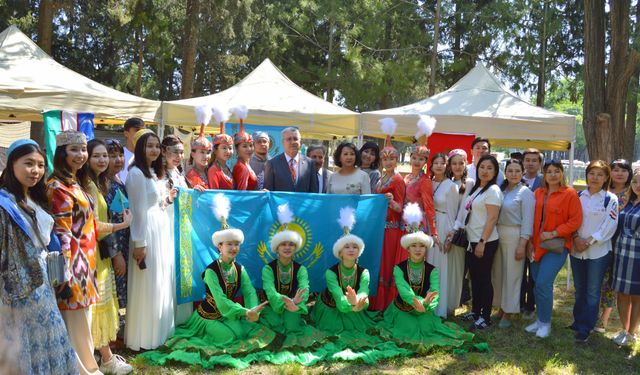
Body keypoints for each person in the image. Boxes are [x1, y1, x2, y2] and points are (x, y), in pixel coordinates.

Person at [141, 193, 274, 369]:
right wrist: (243, 312)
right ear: (220, 246)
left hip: (231, 313)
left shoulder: (240, 269)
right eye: (229, 244)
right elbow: (220, 301)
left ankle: (235, 324)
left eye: (236, 244)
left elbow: (249, 291)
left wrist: (252, 310)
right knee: (229, 338)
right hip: (209, 315)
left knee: (242, 332)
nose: (233, 248)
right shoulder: (211, 272)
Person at [0, 139, 77, 375]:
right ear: (12, 164)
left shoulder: (35, 198)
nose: (35, 171)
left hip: (42, 283)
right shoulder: (4, 204)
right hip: (16, 290)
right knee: (23, 346)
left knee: (49, 336)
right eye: (28, 164)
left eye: (40, 165)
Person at [311, 207, 406, 361]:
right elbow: (338, 296)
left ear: (359, 251)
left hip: (355, 308)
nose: (351, 250)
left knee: (361, 332)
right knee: (335, 333)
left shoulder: (364, 272)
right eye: (346, 247)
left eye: (355, 247)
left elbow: (364, 292)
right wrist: (351, 305)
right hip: (332, 309)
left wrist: (360, 302)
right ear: (340, 252)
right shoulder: (331, 273)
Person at [380, 203, 474, 349]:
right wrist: (418, 302)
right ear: (408, 248)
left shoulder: (433, 270)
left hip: (425, 309)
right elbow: (404, 291)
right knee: (409, 329)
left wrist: (427, 305)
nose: (418, 249)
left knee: (426, 328)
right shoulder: (399, 269)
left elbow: (435, 291)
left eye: (422, 246)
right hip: (404, 307)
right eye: (414, 246)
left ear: (426, 248)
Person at [47, 130, 101, 374]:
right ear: (62, 153)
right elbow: (62, 233)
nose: (80, 155)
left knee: (83, 320)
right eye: (74, 150)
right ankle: (81, 369)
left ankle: (86, 366)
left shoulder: (74, 182)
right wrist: (65, 273)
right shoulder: (57, 187)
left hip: (86, 261)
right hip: (73, 265)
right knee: (75, 322)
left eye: (83, 150)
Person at [77, 139, 133, 374]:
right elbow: (93, 226)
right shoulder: (89, 186)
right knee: (96, 309)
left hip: (99, 255)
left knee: (100, 307)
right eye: (97, 156)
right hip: (93, 255)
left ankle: (105, 358)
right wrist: (121, 226)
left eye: (105, 156)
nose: (103, 160)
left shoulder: (98, 183)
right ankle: (103, 360)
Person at [125, 129, 177, 350]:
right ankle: (145, 336)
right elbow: (137, 211)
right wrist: (139, 244)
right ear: (139, 148)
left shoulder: (152, 173)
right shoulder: (136, 173)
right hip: (146, 234)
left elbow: (153, 204)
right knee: (149, 284)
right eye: (149, 145)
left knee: (160, 282)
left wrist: (167, 199)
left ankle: (160, 332)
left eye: (157, 145)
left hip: (160, 230)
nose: (154, 150)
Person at [525, 160, 582, 338]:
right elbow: (530, 219)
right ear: (544, 174)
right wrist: (528, 243)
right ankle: (540, 320)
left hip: (556, 246)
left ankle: (546, 323)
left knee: (543, 283)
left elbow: (575, 221)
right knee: (537, 284)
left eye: (556, 171)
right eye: (549, 171)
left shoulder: (570, 194)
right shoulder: (537, 193)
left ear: (562, 173)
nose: (553, 175)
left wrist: (554, 233)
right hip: (536, 245)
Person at [260, 203, 327, 349]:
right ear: (277, 248)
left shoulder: (301, 269)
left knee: (291, 327)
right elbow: (270, 291)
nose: (287, 247)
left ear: (295, 248)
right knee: (275, 325)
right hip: (273, 306)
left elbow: (305, 288)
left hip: (294, 306)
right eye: (283, 244)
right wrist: (286, 301)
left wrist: (296, 304)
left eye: (291, 244)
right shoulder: (268, 268)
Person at [570, 160, 618, 343]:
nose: (595, 178)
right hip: (577, 250)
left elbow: (610, 226)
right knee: (579, 289)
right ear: (586, 175)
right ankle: (577, 321)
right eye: (592, 173)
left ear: (606, 178)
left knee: (592, 291)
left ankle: (585, 328)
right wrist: (576, 238)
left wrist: (589, 241)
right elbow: (572, 219)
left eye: (600, 174)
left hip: (598, 252)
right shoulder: (578, 196)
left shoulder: (610, 199)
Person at [456, 155, 502, 330]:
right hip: (471, 240)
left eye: (490, 168)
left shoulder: (493, 191)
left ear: (495, 171)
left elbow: (492, 218)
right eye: (482, 167)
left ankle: (485, 316)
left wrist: (482, 242)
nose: (485, 171)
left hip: (485, 241)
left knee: (483, 279)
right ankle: (475, 311)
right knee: (474, 278)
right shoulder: (478, 189)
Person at [492, 159, 534, 328]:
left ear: (522, 172)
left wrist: (522, 244)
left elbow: (528, 221)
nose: (513, 174)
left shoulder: (525, 193)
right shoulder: (501, 190)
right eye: (510, 170)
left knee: (513, 275)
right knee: (499, 273)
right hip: (498, 234)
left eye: (517, 171)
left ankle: (509, 312)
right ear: (505, 172)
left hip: (515, 235)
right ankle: (501, 307)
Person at [371, 121, 406, 311]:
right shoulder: (381, 177)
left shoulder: (398, 179)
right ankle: (377, 302)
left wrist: (391, 201)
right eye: (385, 159)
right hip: (380, 228)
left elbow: (400, 207)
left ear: (397, 160)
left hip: (391, 229)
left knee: (386, 266)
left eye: (392, 159)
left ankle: (387, 305)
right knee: (379, 265)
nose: (388, 162)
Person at [161, 135, 196, 325]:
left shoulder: (179, 174)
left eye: (182, 152)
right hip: (167, 229)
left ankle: (183, 318)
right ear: (164, 152)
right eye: (175, 152)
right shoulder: (157, 174)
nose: (179, 156)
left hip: (182, 229)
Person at [596, 158, 633, 333]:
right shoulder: (603, 191)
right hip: (600, 242)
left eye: (623, 170)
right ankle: (591, 315)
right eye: (615, 170)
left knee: (611, 283)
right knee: (597, 280)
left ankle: (604, 319)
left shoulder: (632, 193)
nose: (619, 173)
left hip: (623, 246)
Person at [404, 147, 439, 314]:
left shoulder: (425, 181)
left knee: (416, 261)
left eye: (421, 159)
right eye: (415, 158)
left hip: (418, 225)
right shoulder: (407, 177)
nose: (417, 162)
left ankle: (417, 301)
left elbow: (429, 207)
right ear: (410, 158)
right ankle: (404, 299)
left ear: (426, 162)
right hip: (404, 223)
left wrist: (434, 231)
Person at [612, 168, 640, 346]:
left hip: (638, 255)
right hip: (622, 253)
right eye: (636, 182)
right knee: (621, 293)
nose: (638, 185)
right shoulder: (629, 202)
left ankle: (632, 333)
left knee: (637, 295)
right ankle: (624, 329)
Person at [446, 149, 475, 313]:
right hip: (446, 229)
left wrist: (453, 231)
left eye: (461, 163)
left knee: (457, 269)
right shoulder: (448, 182)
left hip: (458, 232)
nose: (457, 166)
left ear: (466, 164)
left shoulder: (469, 183)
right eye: (454, 163)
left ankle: (452, 304)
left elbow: (464, 210)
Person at [104, 139, 130, 310]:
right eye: (112, 156)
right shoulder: (104, 185)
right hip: (114, 248)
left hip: (125, 243)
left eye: (120, 155)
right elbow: (107, 221)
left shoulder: (119, 180)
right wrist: (116, 254)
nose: (119, 160)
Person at [521, 148, 543, 320]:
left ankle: (531, 305)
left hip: (537, 234)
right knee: (519, 271)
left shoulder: (544, 181)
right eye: (527, 159)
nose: (530, 163)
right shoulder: (515, 179)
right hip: (518, 232)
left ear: (540, 163)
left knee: (534, 272)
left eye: (534, 160)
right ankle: (519, 302)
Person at [264, 127, 318, 192]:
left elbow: (314, 191)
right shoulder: (272, 163)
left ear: (300, 142)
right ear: (283, 142)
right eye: (289, 139)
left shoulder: (310, 163)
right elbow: (268, 192)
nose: (293, 142)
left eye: (295, 139)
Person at [116, 117, 145, 184]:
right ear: (126, 133)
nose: (140, 134)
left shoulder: (147, 156)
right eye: (137, 130)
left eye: (142, 131)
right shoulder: (119, 155)